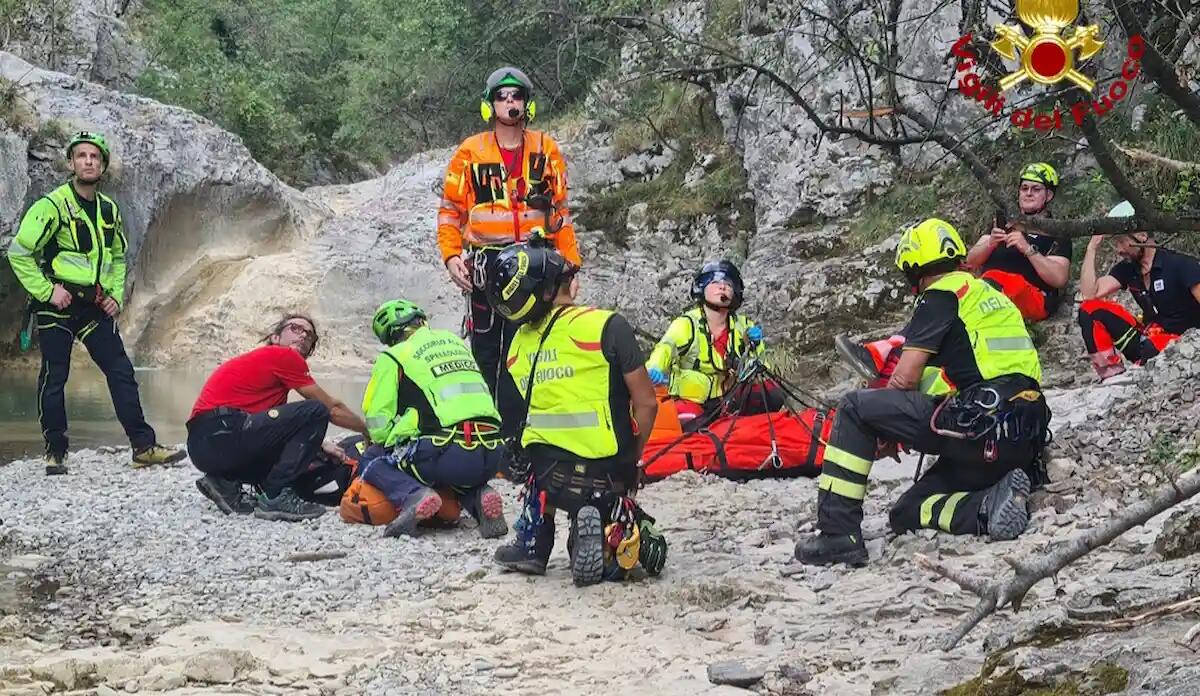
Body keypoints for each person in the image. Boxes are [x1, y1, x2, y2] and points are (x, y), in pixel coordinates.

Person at [795, 219, 1050, 567]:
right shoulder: (990, 295)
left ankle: (838, 534)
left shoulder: (941, 296)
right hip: (1021, 435)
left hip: (981, 423)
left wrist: (885, 429)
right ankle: (986, 505)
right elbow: (971, 371)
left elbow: (904, 379)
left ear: (913, 271)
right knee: (905, 511)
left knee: (854, 407)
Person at [484, 241, 667, 586]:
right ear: (557, 286)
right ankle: (600, 528)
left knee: (538, 463)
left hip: (547, 473)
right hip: (607, 471)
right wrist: (633, 460)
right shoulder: (607, 326)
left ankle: (533, 541)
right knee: (626, 525)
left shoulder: (517, 345)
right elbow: (647, 403)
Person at [7, 131, 185, 475]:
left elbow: (118, 257)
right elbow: (19, 253)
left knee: (121, 371)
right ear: (71, 162)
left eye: (95, 157)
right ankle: (55, 452)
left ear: (102, 165)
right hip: (57, 303)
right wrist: (47, 292)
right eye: (82, 156)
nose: (88, 161)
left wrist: (116, 295)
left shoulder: (108, 209)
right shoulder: (52, 205)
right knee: (55, 375)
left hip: (95, 305)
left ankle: (143, 447)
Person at [437, 66, 580, 438]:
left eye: (516, 95)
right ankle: (486, 433)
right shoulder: (470, 152)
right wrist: (452, 255)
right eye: (502, 96)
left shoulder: (546, 149)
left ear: (527, 104)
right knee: (487, 350)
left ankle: (522, 436)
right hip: (487, 262)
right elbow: (451, 211)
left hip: (536, 262)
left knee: (530, 348)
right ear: (490, 105)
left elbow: (560, 213)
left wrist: (571, 267)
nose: (510, 101)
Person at [835, 163, 1071, 383]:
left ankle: (890, 359)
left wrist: (1027, 248)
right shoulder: (1004, 224)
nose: (1028, 193)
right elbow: (968, 261)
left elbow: (1059, 278)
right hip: (986, 298)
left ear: (1048, 195)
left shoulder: (1057, 232)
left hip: (1030, 297)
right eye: (1024, 188)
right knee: (946, 291)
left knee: (984, 283)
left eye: (1036, 189)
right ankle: (883, 356)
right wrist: (989, 243)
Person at [187, 313, 370, 521]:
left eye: (309, 336)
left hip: (205, 447)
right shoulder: (282, 356)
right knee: (316, 410)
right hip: (221, 431)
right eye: (295, 329)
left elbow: (278, 433)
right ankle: (275, 496)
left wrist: (319, 445)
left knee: (298, 451)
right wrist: (366, 429)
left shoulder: (267, 378)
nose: (303, 336)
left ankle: (224, 482)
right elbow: (332, 409)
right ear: (275, 338)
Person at [358, 299, 508, 538]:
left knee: (372, 459)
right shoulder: (456, 345)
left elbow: (378, 425)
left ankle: (414, 495)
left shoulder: (395, 356)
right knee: (456, 476)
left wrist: (393, 437)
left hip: (445, 451)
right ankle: (480, 494)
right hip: (491, 454)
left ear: (390, 336)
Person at [644, 260, 781, 428]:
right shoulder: (687, 323)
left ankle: (747, 433)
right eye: (715, 282)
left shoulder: (744, 326)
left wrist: (756, 346)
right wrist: (654, 368)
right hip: (691, 401)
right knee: (694, 423)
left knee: (772, 392)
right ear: (702, 288)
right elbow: (666, 347)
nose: (722, 287)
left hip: (727, 401)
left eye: (728, 284)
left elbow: (761, 366)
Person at [1078, 201, 1200, 380]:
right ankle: (1112, 376)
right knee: (1089, 310)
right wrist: (1092, 247)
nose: (1118, 250)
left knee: (1152, 347)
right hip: (1149, 338)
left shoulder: (1180, 265)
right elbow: (1089, 294)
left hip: (1183, 345)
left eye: (1122, 242)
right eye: (1115, 243)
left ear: (1142, 235)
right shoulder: (1128, 269)